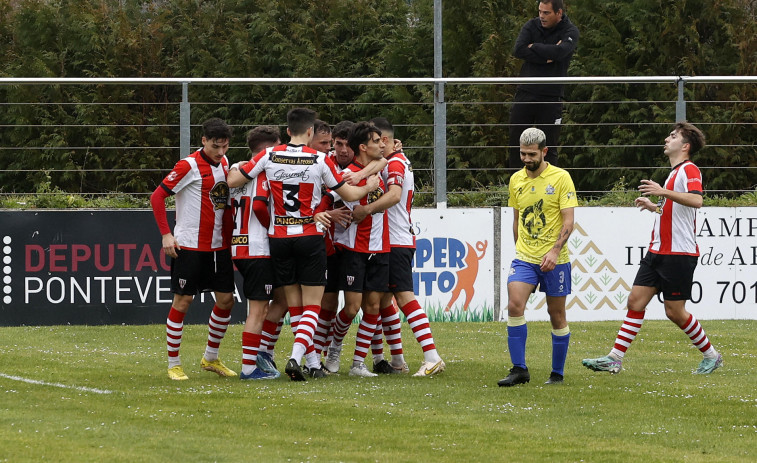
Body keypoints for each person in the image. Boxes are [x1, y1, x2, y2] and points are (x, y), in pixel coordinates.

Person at [228, 108, 380, 381]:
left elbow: (234, 180)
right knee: (312, 305)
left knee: (294, 304)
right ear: (310, 131)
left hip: (279, 239)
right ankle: (297, 357)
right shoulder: (320, 159)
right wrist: (369, 187)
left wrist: (243, 168)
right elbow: (350, 193)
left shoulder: (268, 155)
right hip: (309, 236)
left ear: (287, 131)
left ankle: (311, 361)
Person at [582, 122, 723, 375]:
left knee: (675, 312)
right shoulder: (673, 173)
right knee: (635, 301)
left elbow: (697, 200)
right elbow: (675, 212)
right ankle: (615, 358)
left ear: (686, 146)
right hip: (657, 251)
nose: (667, 139)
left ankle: (712, 355)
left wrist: (662, 192)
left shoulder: (689, 169)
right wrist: (655, 207)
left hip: (678, 254)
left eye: (673, 136)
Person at [351, 117, 446, 377]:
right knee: (384, 302)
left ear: (383, 141)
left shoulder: (394, 162)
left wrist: (365, 210)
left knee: (404, 298)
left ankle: (432, 356)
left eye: (376, 140)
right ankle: (397, 361)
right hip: (392, 239)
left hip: (395, 241)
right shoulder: (396, 159)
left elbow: (393, 195)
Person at [150, 117, 238, 381]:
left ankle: (210, 358)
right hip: (189, 245)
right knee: (183, 301)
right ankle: (174, 364)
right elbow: (157, 196)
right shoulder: (188, 165)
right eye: (215, 146)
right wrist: (166, 234)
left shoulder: (224, 164)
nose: (221, 152)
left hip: (218, 246)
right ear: (203, 141)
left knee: (226, 301)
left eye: (224, 146)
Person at [498, 127, 577, 387]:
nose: (526, 159)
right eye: (522, 154)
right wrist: (519, 249)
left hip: (556, 259)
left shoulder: (561, 177)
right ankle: (519, 369)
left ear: (544, 151)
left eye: (532, 154)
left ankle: (557, 373)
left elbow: (568, 221)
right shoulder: (516, 180)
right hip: (525, 258)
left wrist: (554, 251)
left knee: (556, 314)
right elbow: (516, 219)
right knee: (514, 305)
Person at [319, 121, 390, 378]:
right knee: (351, 308)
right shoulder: (346, 174)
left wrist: (365, 177)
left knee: (372, 307)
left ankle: (358, 364)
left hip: (380, 247)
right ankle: (334, 350)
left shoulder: (378, 167)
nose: (382, 145)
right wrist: (328, 214)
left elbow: (384, 161)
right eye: (376, 142)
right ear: (363, 147)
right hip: (352, 248)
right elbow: (326, 201)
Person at [229, 125, 284, 380]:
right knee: (258, 309)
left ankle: (261, 355)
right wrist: (274, 231)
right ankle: (250, 368)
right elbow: (261, 207)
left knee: (280, 300)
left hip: (239, 246)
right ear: (268, 149)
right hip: (258, 248)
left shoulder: (238, 169)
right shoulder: (264, 173)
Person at [508, 0, 579, 168]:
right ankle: (516, 188)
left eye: (546, 13)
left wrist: (534, 47)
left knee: (549, 146)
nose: (541, 16)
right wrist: (548, 56)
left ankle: (549, 189)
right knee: (516, 143)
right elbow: (518, 49)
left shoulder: (570, 31)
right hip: (526, 91)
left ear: (559, 13)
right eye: (540, 11)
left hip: (551, 95)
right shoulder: (531, 25)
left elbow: (561, 52)